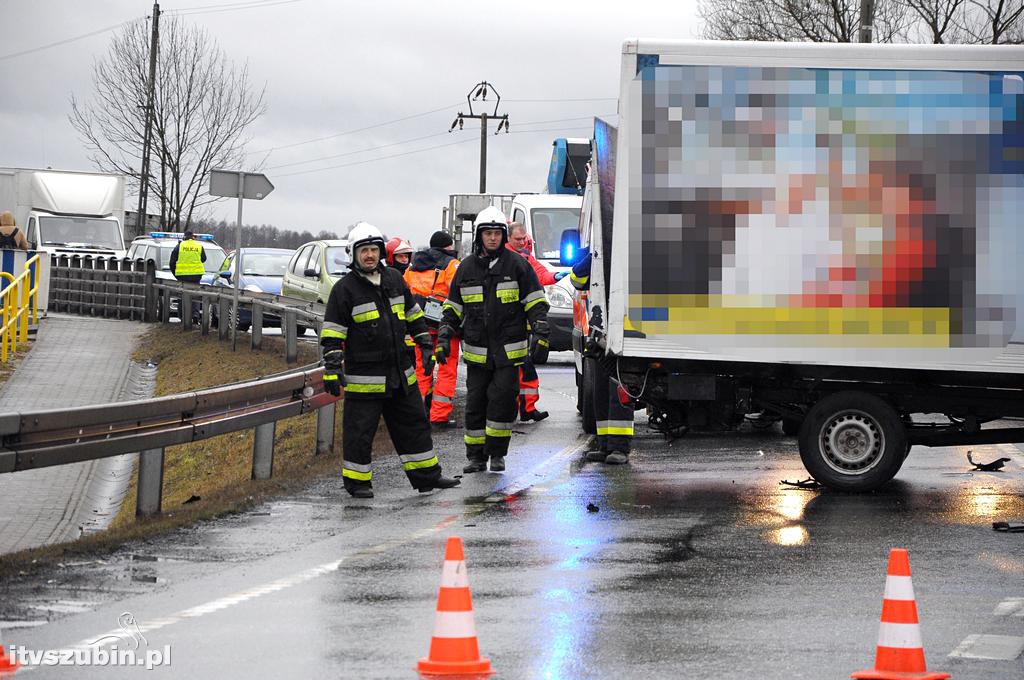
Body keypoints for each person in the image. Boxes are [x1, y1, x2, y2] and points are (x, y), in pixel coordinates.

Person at [320, 222, 460, 498]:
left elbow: (414, 316)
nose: (369, 255)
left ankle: (427, 477)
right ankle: (358, 483)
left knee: (415, 425)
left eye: (374, 250)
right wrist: (332, 367)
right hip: (365, 379)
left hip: (400, 374)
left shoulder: (395, 280)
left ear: (381, 253)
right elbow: (333, 334)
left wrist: (425, 345)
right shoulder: (344, 290)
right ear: (353, 254)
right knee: (360, 433)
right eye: (364, 251)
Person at [437, 207, 550, 473]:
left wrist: (541, 332)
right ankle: (476, 457)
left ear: (503, 236)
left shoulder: (518, 265)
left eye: (497, 233)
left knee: (503, 403)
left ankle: (497, 454)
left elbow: (535, 302)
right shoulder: (466, 268)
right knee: (475, 404)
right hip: (477, 352)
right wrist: (444, 335)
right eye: (487, 233)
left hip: (509, 351)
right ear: (479, 235)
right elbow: (453, 307)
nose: (492, 238)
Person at [570, 247, 633, 465]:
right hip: (600, 334)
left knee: (619, 390)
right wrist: (593, 256)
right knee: (601, 391)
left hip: (625, 332)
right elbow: (577, 279)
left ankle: (619, 448)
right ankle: (605, 445)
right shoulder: (598, 253)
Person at [506, 223, 568, 422]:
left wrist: (555, 276)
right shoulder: (505, 258)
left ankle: (526, 408)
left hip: (520, 323)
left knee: (525, 368)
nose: (521, 242)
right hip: (509, 324)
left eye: (524, 239)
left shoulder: (524, 257)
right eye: (518, 239)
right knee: (515, 369)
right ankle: (519, 408)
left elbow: (540, 274)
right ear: (508, 238)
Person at [405, 231, 461, 427]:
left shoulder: (413, 265)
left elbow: (404, 292)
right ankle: (438, 416)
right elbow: (459, 291)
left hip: (419, 325)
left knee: (421, 369)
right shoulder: (451, 265)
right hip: (446, 325)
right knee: (446, 369)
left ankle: (417, 415)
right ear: (448, 246)